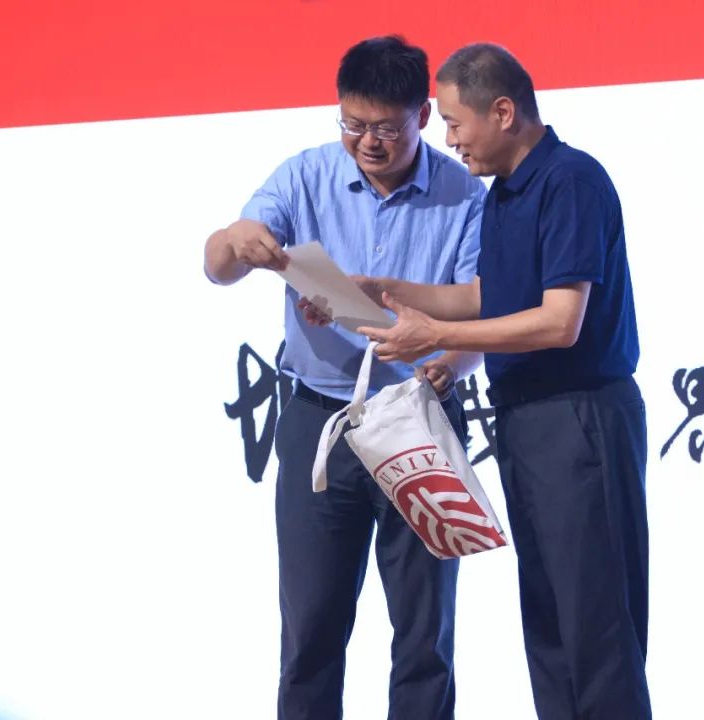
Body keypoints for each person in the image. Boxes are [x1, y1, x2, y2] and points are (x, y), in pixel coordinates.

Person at [356, 43, 652, 719]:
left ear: (503, 111)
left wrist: (438, 336)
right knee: (549, 628)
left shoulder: (571, 181)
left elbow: (559, 321)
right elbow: (487, 296)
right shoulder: (503, 196)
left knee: (596, 629)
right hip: (527, 424)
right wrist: (386, 290)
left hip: (581, 421)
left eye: (454, 123)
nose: (449, 139)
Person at [203, 36, 485, 720]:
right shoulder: (304, 176)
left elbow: (482, 309)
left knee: (424, 634)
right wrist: (237, 241)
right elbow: (217, 263)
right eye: (353, 124)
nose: (368, 142)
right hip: (319, 423)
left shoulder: (465, 195)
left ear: (422, 115)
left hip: (418, 420)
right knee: (310, 628)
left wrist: (448, 364)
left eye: (385, 128)